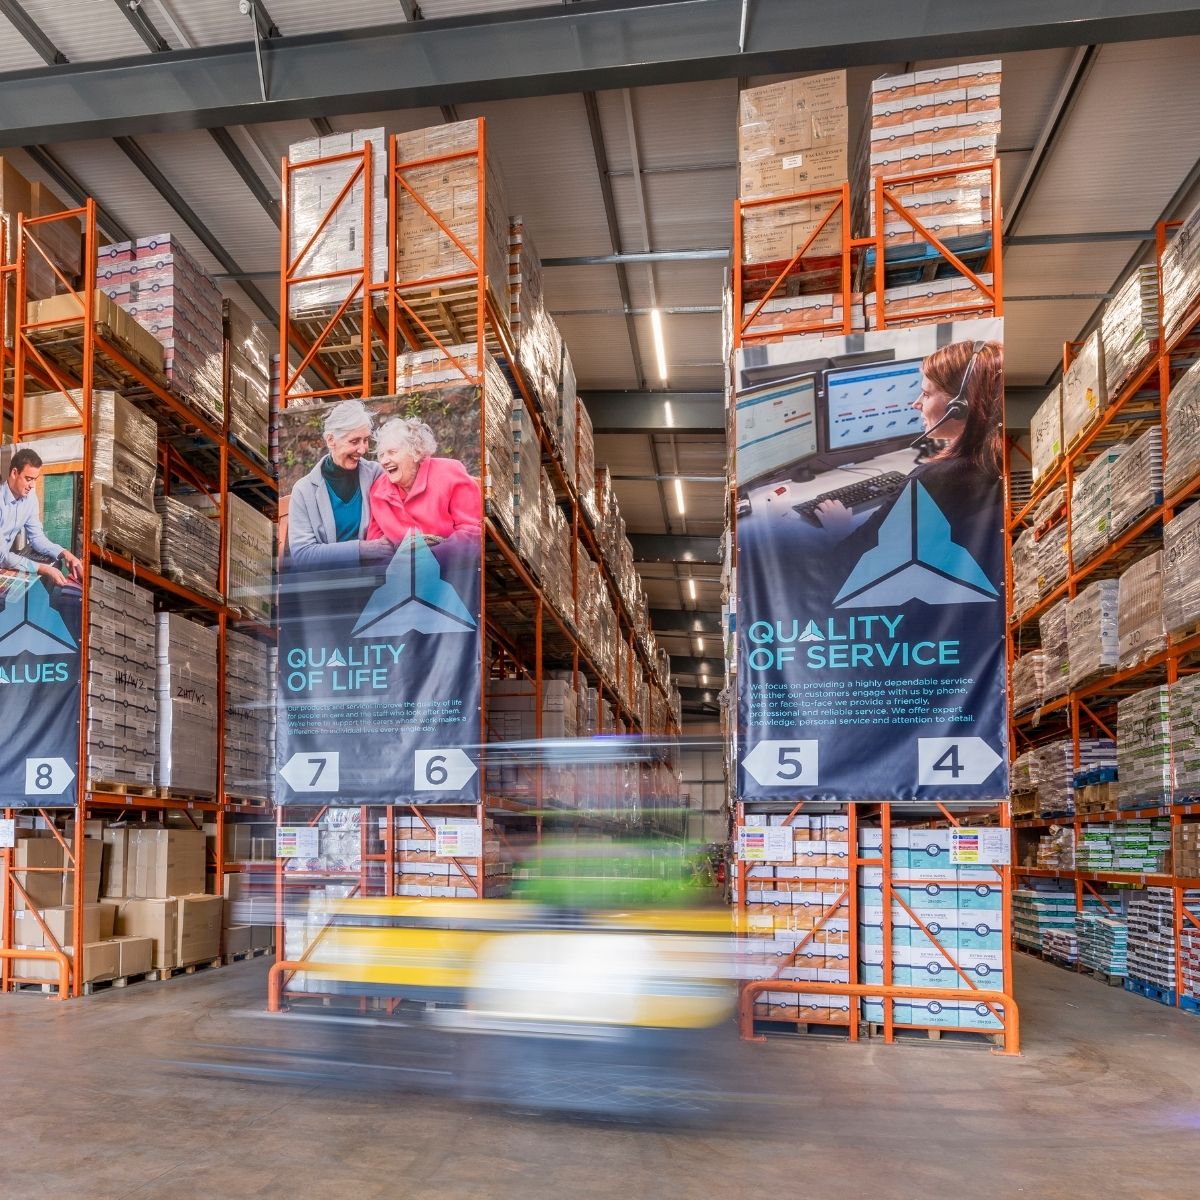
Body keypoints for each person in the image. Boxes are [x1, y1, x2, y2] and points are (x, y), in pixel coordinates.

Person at [813, 339, 1003, 543]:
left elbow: (856, 551)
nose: (916, 403)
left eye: (927, 394)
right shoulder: (998, 458)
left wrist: (839, 527)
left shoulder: (931, 480)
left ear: (959, 406)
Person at [286, 399, 393, 569]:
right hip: (329, 587)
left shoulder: (376, 474)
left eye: (365, 440)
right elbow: (303, 554)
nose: (362, 449)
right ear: (331, 440)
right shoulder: (304, 490)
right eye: (354, 441)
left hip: (375, 581)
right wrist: (362, 549)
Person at [365, 417, 482, 545]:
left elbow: (472, 531)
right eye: (381, 455)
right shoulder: (378, 491)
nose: (384, 461)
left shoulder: (449, 473)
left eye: (392, 452)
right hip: (401, 563)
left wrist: (434, 556)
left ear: (416, 452)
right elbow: (375, 543)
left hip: (449, 561)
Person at [0, 447, 83, 593]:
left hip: (4, 562)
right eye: (28, 479)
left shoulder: (30, 498)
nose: (32, 485)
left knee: (55, 561)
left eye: (35, 480)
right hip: (3, 558)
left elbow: (37, 538)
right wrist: (43, 569)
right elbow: (2, 556)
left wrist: (66, 554)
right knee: (45, 570)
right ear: (14, 473)